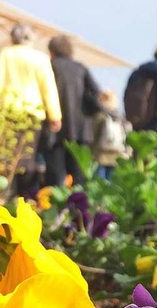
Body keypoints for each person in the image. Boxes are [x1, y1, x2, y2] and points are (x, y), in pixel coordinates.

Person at [0, 24, 62, 194]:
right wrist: (55, 115)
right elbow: (48, 89)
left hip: (8, 111)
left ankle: (4, 194)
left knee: (5, 157)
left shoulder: (5, 54)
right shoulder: (40, 58)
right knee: (27, 156)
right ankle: (22, 195)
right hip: (32, 114)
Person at [45, 35, 101, 187]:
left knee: (54, 178)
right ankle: (78, 208)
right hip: (81, 129)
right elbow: (96, 91)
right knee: (79, 177)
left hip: (55, 129)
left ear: (52, 51)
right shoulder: (80, 68)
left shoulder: (50, 66)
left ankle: (53, 208)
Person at [92, 90, 129, 180]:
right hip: (117, 156)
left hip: (101, 155)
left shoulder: (100, 115)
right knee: (111, 184)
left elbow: (94, 134)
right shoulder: (120, 116)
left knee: (100, 184)